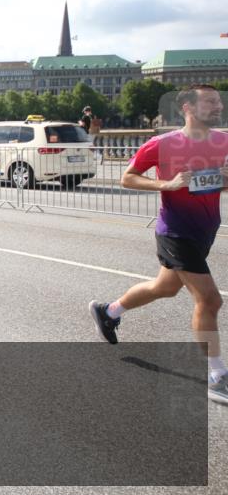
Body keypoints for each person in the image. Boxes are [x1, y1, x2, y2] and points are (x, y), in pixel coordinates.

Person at [90, 85, 228, 405]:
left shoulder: (223, 142)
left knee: (165, 287)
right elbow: (128, 177)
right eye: (210, 102)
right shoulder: (162, 144)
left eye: (219, 102)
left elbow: (213, 182)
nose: (218, 107)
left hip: (205, 229)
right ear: (188, 108)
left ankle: (109, 312)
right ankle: (217, 376)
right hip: (175, 231)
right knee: (209, 301)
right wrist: (166, 183)